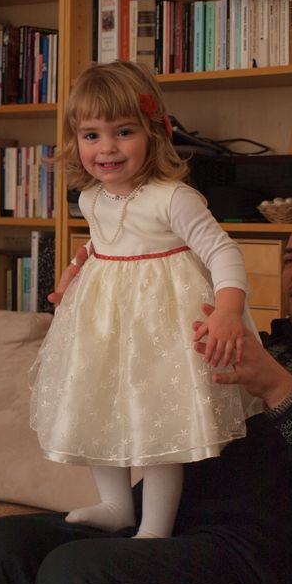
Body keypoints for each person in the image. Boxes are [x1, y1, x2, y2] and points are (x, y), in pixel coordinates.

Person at [0, 199, 292, 584]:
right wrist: (94, 298)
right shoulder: (253, 342)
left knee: (80, 574)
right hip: (163, 522)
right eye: (290, 258)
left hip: (253, 558)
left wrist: (279, 387)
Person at [29, 60, 260, 540]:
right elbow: (101, 243)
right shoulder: (91, 199)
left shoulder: (173, 198)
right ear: (75, 141)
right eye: (91, 135)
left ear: (153, 133)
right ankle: (117, 504)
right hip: (105, 327)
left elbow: (223, 252)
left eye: (123, 132)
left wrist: (228, 310)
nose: (107, 148)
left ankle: (155, 528)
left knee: (160, 424)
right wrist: (74, 270)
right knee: (97, 407)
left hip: (161, 330)